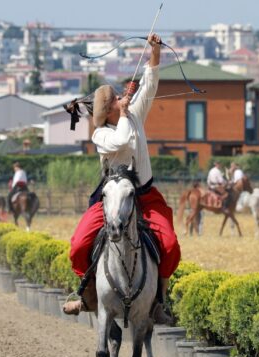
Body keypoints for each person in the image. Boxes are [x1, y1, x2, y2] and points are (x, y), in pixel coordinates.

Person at [66, 33, 181, 324]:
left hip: (145, 195)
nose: (123, 98)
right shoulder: (101, 134)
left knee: (169, 245)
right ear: (110, 110)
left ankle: (159, 301)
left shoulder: (133, 113)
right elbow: (121, 141)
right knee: (79, 245)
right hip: (112, 197)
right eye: (118, 98)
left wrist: (154, 52)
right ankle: (87, 294)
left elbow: (150, 82)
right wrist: (128, 113)